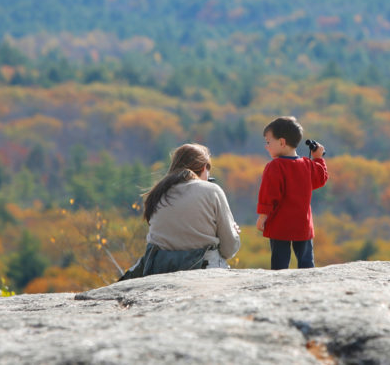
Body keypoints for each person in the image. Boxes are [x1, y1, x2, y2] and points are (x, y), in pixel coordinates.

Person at [119, 143, 240, 280]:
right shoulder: (212, 191)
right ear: (203, 167)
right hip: (203, 271)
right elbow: (229, 249)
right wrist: (233, 231)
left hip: (159, 269)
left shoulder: (157, 192)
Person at [256, 116, 329, 270]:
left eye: (268, 142)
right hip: (303, 225)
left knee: (280, 264)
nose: (266, 146)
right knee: (306, 262)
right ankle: (309, 286)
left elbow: (269, 195)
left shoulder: (275, 166)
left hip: (279, 225)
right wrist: (318, 159)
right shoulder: (307, 165)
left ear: (282, 142)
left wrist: (263, 216)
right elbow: (321, 179)